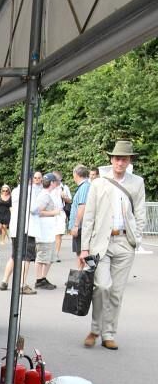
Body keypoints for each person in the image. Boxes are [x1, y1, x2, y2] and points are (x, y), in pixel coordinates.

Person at [80, 139, 146, 351]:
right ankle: (95, 329)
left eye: (124, 158)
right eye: (117, 158)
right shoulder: (99, 183)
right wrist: (84, 247)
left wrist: (137, 238)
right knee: (102, 286)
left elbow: (141, 212)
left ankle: (108, 333)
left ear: (129, 161)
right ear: (111, 159)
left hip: (125, 243)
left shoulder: (137, 182)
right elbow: (89, 216)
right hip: (102, 243)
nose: (120, 162)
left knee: (116, 292)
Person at [0, 176, 37, 292]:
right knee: (26, 256)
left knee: (14, 255)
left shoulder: (15, 191)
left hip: (15, 227)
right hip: (26, 227)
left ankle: (4, 281)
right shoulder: (30, 191)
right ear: (30, 179)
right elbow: (34, 208)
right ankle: (22, 284)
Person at [31, 172, 64, 290]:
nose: (56, 184)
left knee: (48, 256)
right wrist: (53, 213)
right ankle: (39, 279)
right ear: (52, 183)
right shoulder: (44, 195)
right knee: (41, 256)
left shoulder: (47, 194)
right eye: (55, 182)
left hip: (48, 231)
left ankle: (43, 278)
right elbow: (36, 211)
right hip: (43, 232)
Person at [69, 165, 90, 268]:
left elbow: (82, 206)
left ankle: (81, 278)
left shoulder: (84, 187)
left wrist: (76, 225)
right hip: (81, 226)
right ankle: (80, 277)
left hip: (81, 227)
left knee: (82, 254)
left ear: (76, 174)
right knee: (80, 253)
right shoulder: (84, 187)